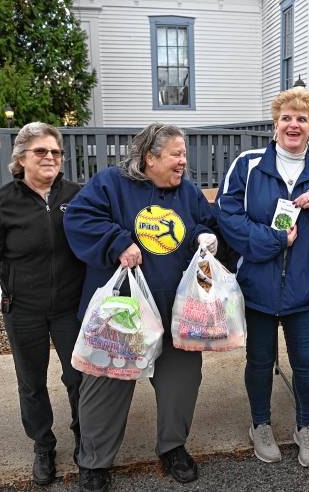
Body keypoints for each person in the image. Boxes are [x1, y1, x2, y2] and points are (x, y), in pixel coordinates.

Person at [63, 123, 219, 491]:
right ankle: (95, 461)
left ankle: (173, 447)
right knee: (106, 384)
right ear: (150, 157)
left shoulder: (189, 192)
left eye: (184, 154)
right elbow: (79, 218)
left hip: (177, 310)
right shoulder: (111, 184)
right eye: (176, 154)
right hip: (123, 312)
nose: (184, 162)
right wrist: (117, 241)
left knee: (182, 383)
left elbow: (204, 221)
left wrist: (204, 236)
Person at [216, 87, 309, 467]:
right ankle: (260, 424)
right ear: (275, 124)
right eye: (287, 118)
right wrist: (273, 240)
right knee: (259, 360)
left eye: (302, 119)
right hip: (256, 288)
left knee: (308, 362)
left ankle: (305, 426)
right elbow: (228, 217)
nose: (294, 124)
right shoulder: (247, 165)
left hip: (305, 292)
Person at [0, 122, 85, 486]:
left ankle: (86, 438)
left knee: (79, 377)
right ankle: (43, 444)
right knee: (31, 382)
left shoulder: (78, 196)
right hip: (24, 309)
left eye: (56, 152)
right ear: (21, 158)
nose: (50, 157)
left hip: (71, 307)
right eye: (41, 151)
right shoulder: (2, 203)